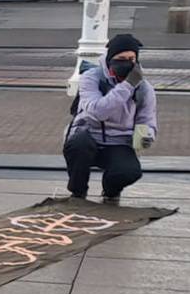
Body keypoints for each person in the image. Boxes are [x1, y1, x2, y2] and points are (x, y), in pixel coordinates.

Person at [64, 33, 157, 202]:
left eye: (131, 58)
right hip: (88, 136)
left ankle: (111, 190)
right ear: (110, 58)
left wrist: (147, 134)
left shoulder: (144, 88)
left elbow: (147, 119)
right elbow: (98, 111)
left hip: (119, 142)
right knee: (78, 145)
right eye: (121, 58)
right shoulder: (91, 78)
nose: (127, 63)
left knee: (130, 172)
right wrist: (127, 86)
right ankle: (78, 193)